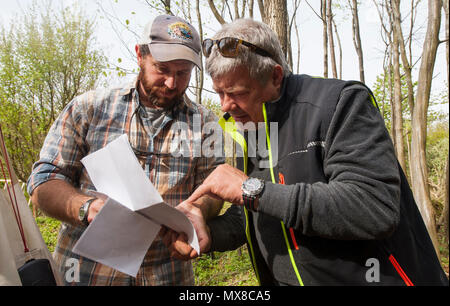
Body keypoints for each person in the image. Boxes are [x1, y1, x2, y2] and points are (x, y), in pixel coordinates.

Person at [163, 18, 448, 286]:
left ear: (275, 77)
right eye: (220, 94)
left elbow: (374, 207)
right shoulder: (256, 126)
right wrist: (207, 233)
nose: (225, 106)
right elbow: (258, 211)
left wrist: (250, 188)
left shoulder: (340, 103)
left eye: (237, 92)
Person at [27, 14, 224, 286]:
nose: (171, 83)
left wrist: (198, 209)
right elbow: (43, 181)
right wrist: (87, 208)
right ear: (139, 55)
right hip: (87, 274)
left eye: (183, 73)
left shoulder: (205, 124)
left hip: (167, 275)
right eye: (162, 69)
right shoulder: (90, 108)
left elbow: (213, 190)